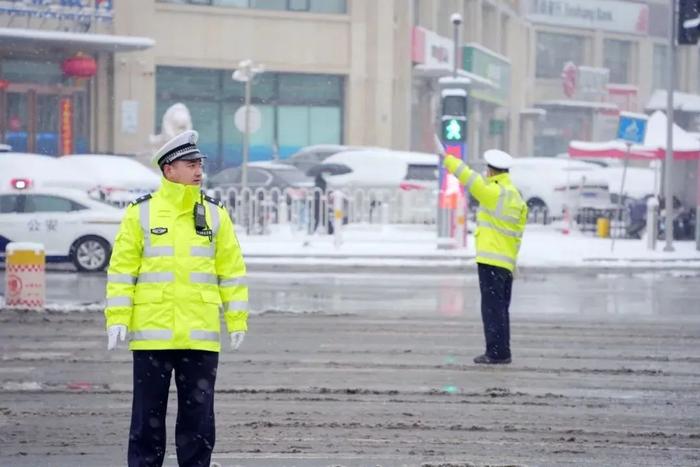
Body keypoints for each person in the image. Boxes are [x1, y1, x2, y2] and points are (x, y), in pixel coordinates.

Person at [104, 130, 249, 466]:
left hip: (200, 337)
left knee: (198, 424)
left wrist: (237, 319)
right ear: (169, 170)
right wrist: (117, 319)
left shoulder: (215, 214)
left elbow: (232, 271)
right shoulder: (140, 213)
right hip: (152, 336)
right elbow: (122, 272)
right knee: (146, 422)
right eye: (190, 164)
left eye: (200, 164)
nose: (199, 171)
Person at [439, 149, 527, 364]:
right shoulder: (515, 195)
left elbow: (468, 177)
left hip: (491, 260)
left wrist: (447, 159)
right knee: (501, 309)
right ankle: (502, 351)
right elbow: (517, 235)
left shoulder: (494, 192)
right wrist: (512, 263)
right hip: (505, 262)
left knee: (491, 309)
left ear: (491, 171)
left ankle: (496, 353)